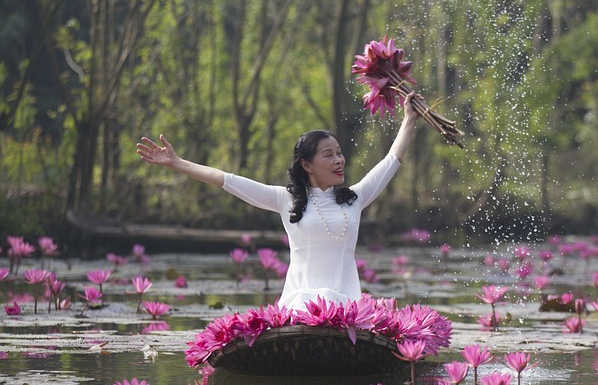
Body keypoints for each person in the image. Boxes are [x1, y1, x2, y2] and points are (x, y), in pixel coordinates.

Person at [137, 92, 419, 311]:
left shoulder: (355, 198)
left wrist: (408, 119)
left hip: (346, 307)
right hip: (298, 306)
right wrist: (177, 163)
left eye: (339, 153)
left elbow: (391, 161)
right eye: (328, 155)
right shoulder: (285, 199)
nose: (339, 160)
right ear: (307, 165)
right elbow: (225, 179)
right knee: (306, 304)